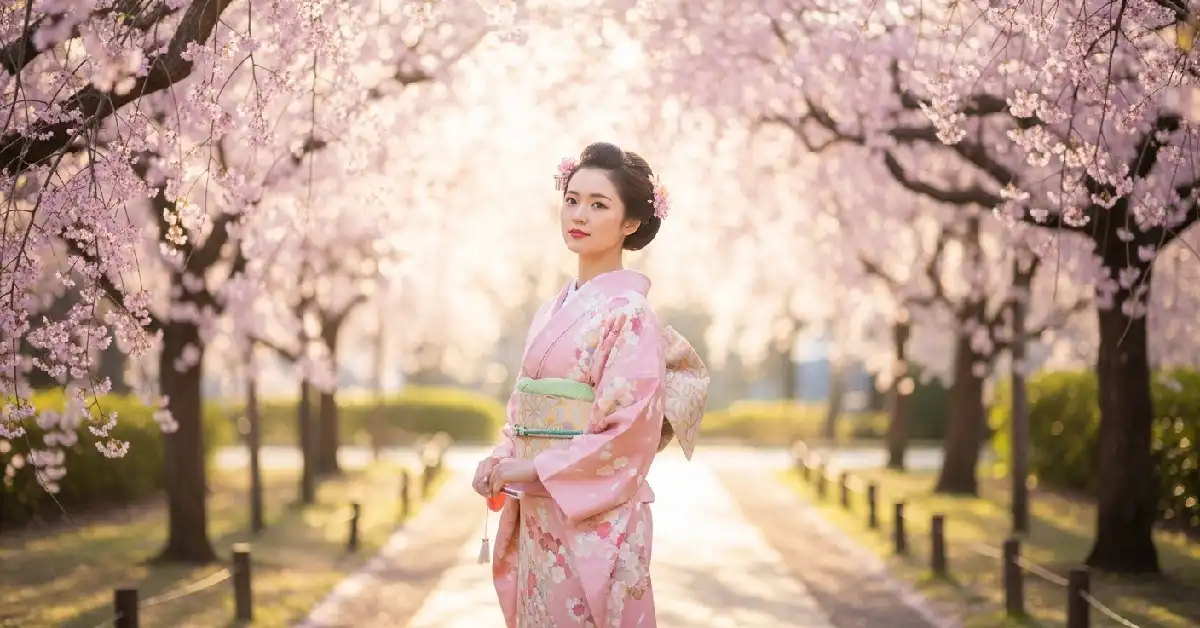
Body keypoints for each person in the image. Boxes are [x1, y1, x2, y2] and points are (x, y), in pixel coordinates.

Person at [471, 142, 710, 627]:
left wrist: (525, 470)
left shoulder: (631, 315)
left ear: (630, 223)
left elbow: (626, 438)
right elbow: (523, 412)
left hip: (597, 523)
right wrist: (500, 458)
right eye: (572, 199)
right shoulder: (550, 311)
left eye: (598, 204)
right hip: (542, 515)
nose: (578, 214)